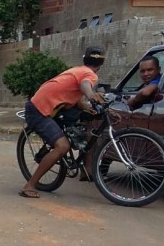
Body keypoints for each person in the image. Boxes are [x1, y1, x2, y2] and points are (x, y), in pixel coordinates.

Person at [19, 46, 107, 199]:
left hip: (49, 107)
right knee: (63, 146)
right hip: (39, 111)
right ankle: (30, 185)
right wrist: (92, 95)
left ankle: (84, 167)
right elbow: (85, 86)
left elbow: (76, 98)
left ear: (84, 59)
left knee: (86, 118)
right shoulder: (89, 74)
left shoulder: (77, 70)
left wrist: (88, 107)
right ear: (102, 63)